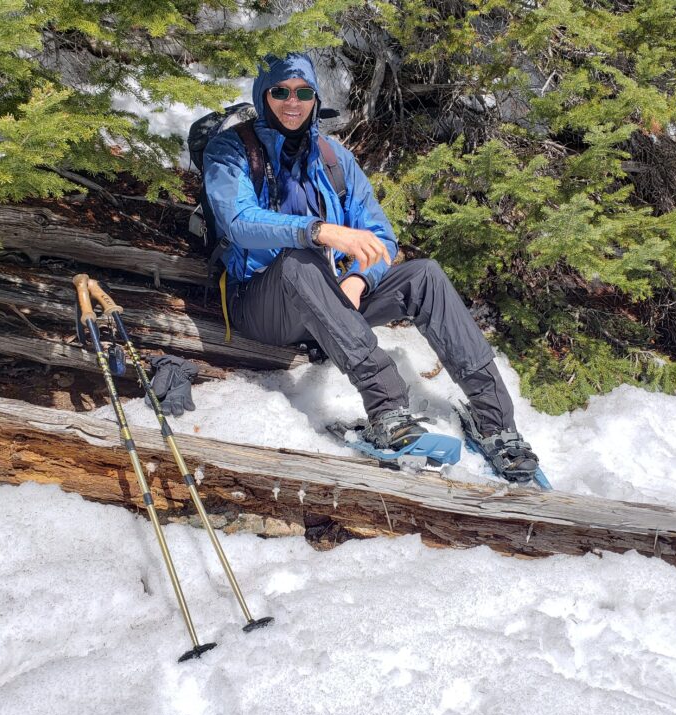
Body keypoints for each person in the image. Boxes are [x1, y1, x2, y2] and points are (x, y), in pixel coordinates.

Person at [202, 52, 540, 484]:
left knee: (425, 275)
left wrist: (361, 278)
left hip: (332, 300)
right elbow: (238, 221)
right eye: (281, 91)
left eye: (304, 92)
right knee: (297, 262)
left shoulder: (331, 156)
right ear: (263, 94)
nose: (293, 102)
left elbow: (381, 236)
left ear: (315, 97)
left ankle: (495, 423)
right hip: (263, 305)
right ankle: (387, 408)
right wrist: (319, 231)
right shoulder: (231, 151)